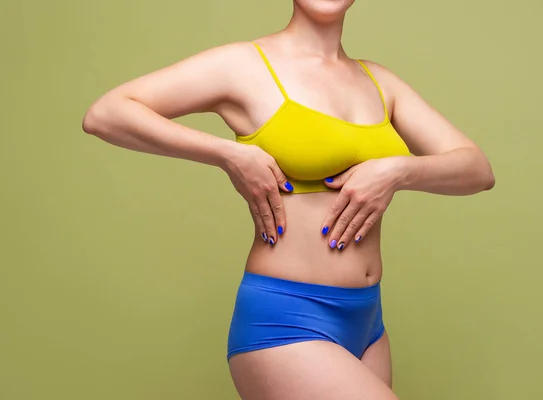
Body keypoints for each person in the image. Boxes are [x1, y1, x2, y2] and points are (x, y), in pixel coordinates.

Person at [82, 0, 495, 398]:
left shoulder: (379, 81)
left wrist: (397, 171)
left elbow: (476, 170)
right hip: (287, 320)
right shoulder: (244, 65)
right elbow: (107, 113)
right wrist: (228, 154)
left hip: (368, 320)